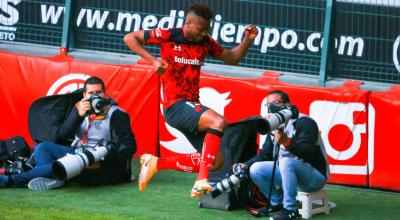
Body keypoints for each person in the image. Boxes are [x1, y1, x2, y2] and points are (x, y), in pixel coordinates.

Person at [123, 3, 258, 198]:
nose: (204, 33)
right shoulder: (168, 35)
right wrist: (152, 61)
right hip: (175, 105)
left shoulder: (205, 43)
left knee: (214, 162)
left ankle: (155, 163)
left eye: (207, 30)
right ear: (188, 22)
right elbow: (130, 38)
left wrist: (247, 39)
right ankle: (200, 181)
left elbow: (231, 58)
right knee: (218, 121)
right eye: (201, 29)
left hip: (190, 106)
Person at [0, 76, 136, 190]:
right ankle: (55, 177)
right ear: (84, 95)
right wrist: (77, 116)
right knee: (43, 147)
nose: (95, 96)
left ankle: (10, 180)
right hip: (78, 153)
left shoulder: (116, 114)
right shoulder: (80, 108)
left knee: (59, 166)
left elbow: (129, 145)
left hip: (100, 163)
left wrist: (107, 152)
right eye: (91, 93)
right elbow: (61, 137)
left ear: (105, 95)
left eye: (99, 92)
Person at [234, 90, 329, 219]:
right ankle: (276, 203)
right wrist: (245, 165)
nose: (272, 107)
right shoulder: (274, 125)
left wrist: (287, 142)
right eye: (268, 105)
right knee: (256, 168)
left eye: (276, 103)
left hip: (314, 177)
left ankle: (290, 210)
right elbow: (265, 154)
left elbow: (308, 152)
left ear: (288, 105)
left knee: (285, 161)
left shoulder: (305, 122)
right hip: (290, 174)